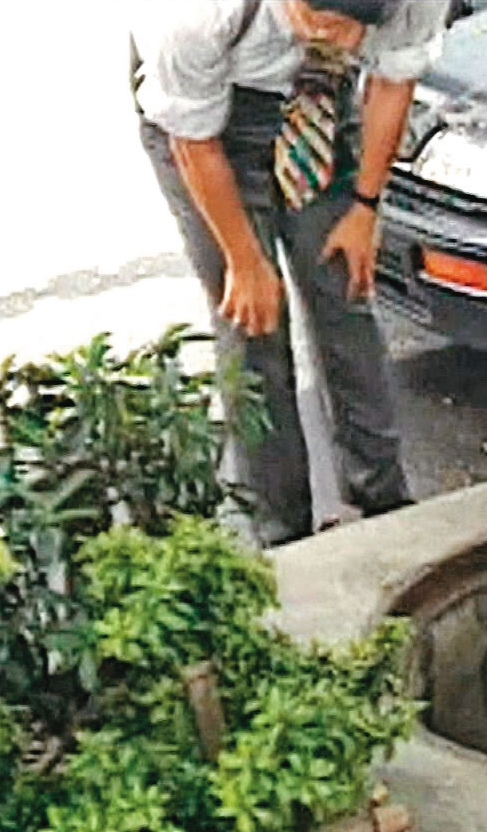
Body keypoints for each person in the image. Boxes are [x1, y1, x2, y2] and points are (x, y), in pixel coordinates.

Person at [131, 0, 452, 546]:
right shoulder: (193, 16)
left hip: (320, 97)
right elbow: (194, 141)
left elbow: (393, 83)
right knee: (253, 320)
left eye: (352, 24)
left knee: (345, 288)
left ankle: (385, 500)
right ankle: (282, 531)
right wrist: (244, 260)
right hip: (211, 119)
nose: (330, 29)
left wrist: (365, 207)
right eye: (318, 13)